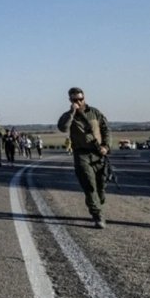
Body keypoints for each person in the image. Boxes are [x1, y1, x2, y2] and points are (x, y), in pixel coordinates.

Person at [57, 87, 111, 229]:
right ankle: (98, 215)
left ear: (84, 98)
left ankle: (98, 204)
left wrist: (106, 146)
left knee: (101, 187)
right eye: (75, 100)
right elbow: (63, 128)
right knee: (89, 185)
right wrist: (72, 112)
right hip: (82, 155)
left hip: (98, 154)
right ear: (70, 100)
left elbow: (106, 129)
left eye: (80, 99)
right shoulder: (68, 115)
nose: (78, 102)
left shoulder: (95, 113)